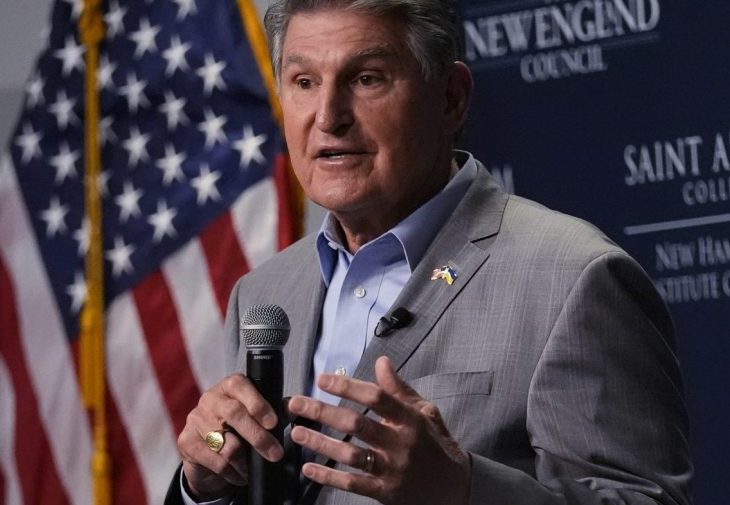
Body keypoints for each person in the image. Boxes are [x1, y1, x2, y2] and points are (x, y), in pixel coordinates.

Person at [166, 0, 693, 503]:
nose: (327, 117)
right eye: (304, 82)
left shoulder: (573, 277)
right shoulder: (264, 291)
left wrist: (462, 489)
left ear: (451, 99)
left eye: (367, 78)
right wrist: (204, 483)